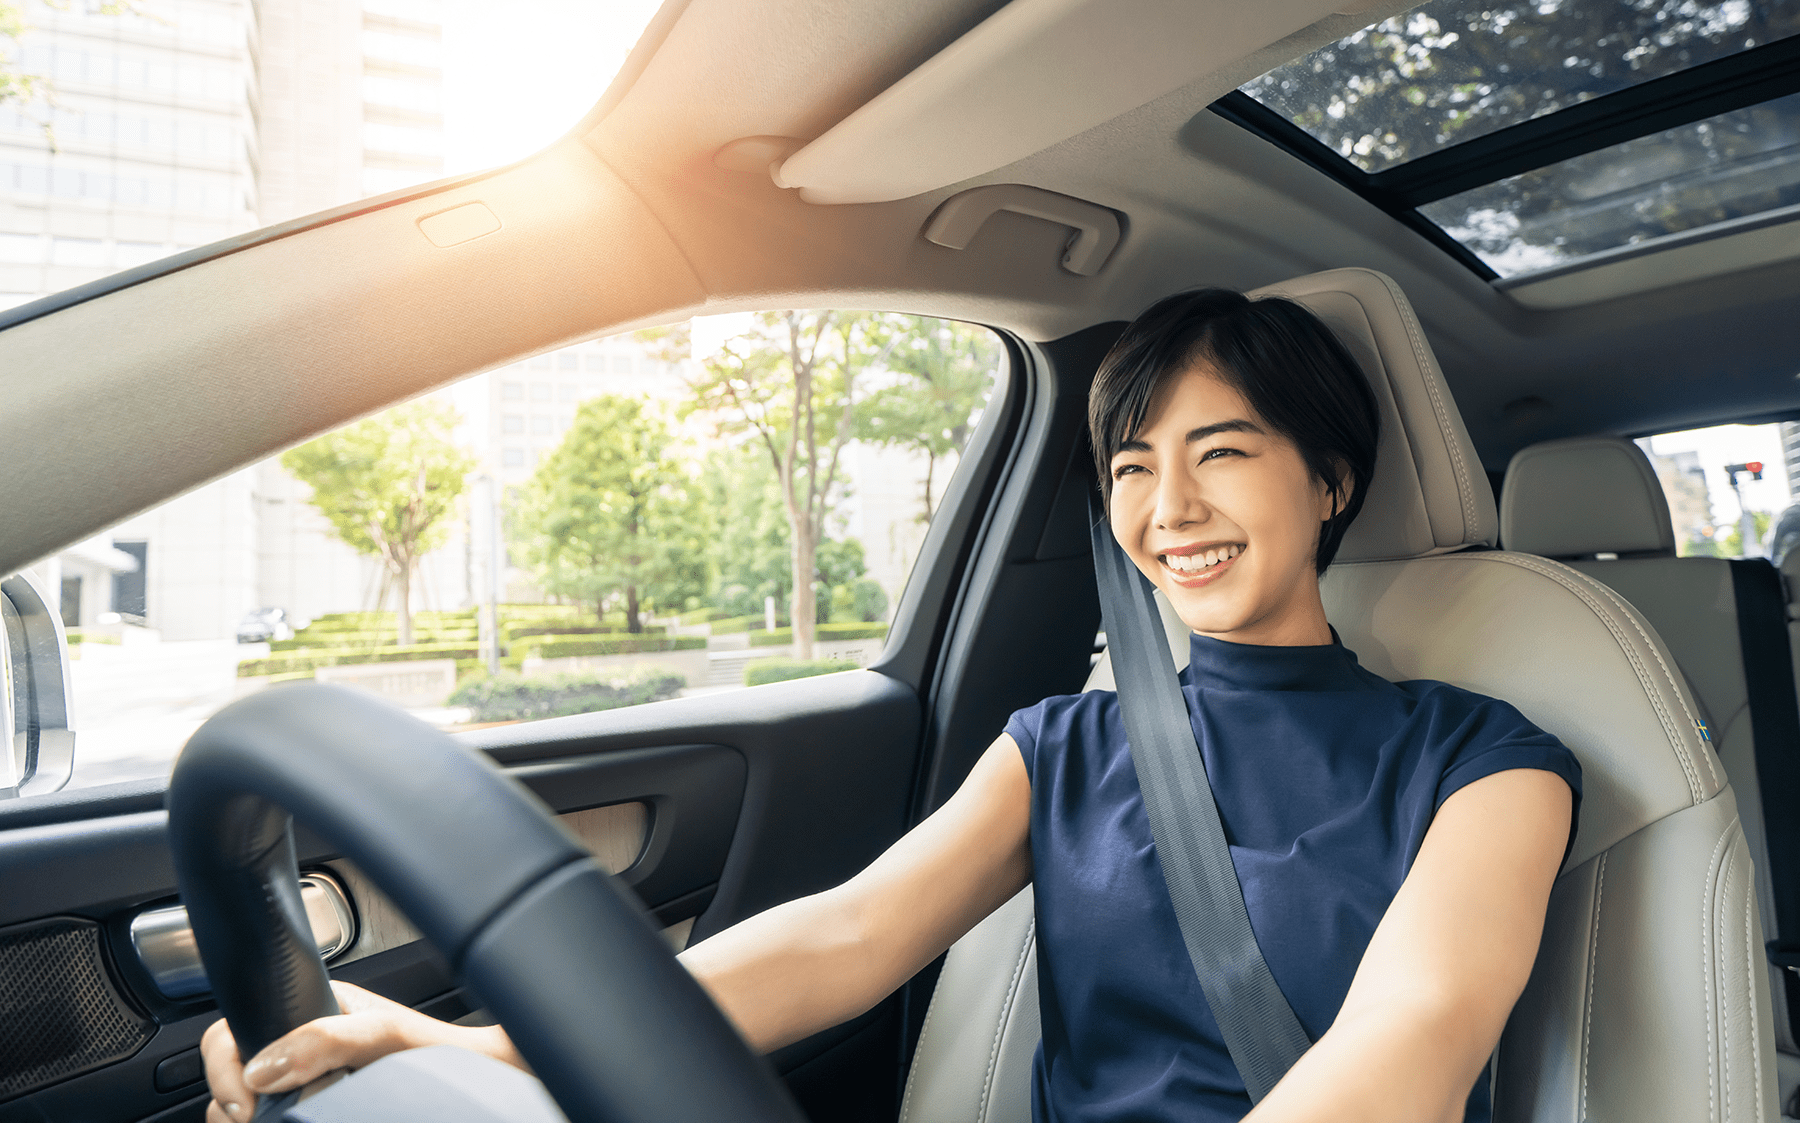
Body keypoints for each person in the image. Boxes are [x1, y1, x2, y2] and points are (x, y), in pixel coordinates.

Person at [202, 289, 1580, 1123]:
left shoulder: (1486, 757)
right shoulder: (1068, 743)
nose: (1172, 510)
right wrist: (481, 1043)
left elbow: (1411, 1051)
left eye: (1223, 452)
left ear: (1331, 479)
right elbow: (846, 936)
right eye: (1134, 466)